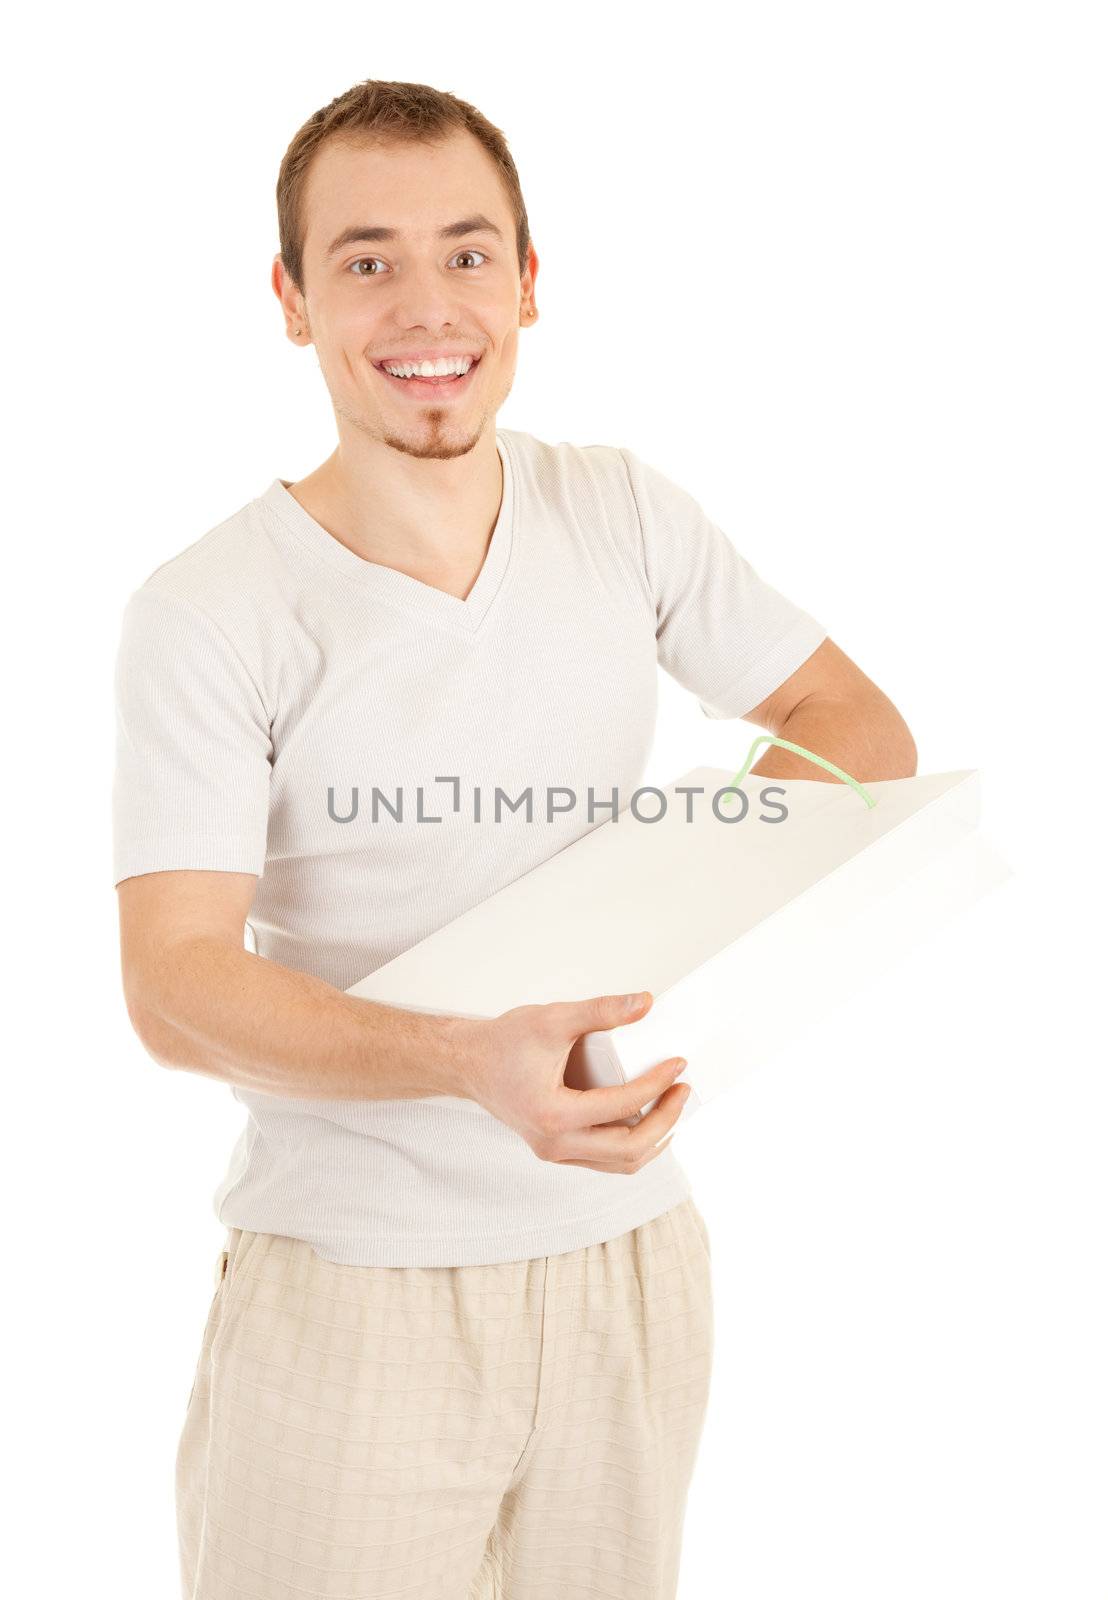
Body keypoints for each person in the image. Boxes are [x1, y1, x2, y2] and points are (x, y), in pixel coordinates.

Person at [112, 77, 916, 1600]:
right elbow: (173, 988)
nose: (427, 304)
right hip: (357, 1292)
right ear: (291, 301)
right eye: (366, 260)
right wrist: (464, 1058)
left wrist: (692, 891)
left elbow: (852, 720)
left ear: (531, 283)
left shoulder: (617, 510)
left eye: (468, 253)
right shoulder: (211, 610)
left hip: (631, 1260)